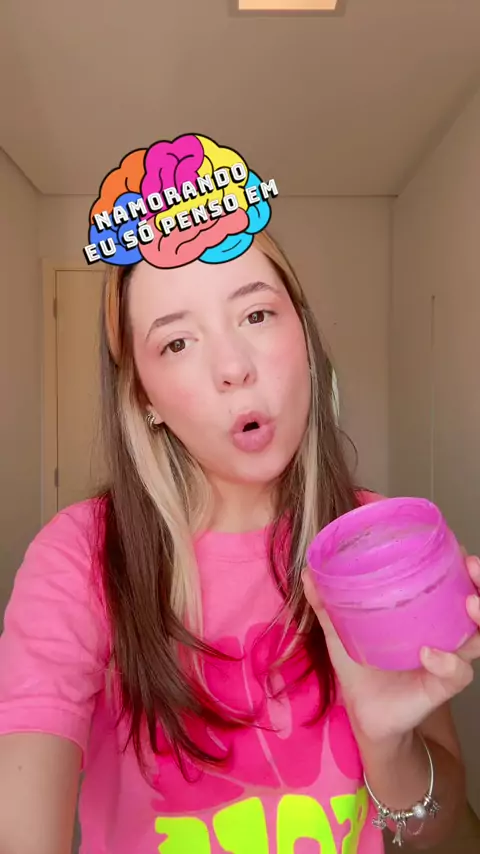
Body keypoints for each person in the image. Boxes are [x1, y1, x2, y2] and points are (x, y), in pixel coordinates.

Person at [0, 230, 479, 854]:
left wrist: (390, 744)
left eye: (256, 314)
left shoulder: (376, 539)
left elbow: (448, 837)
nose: (233, 368)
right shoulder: (80, 555)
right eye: (177, 342)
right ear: (144, 396)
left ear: (304, 336)